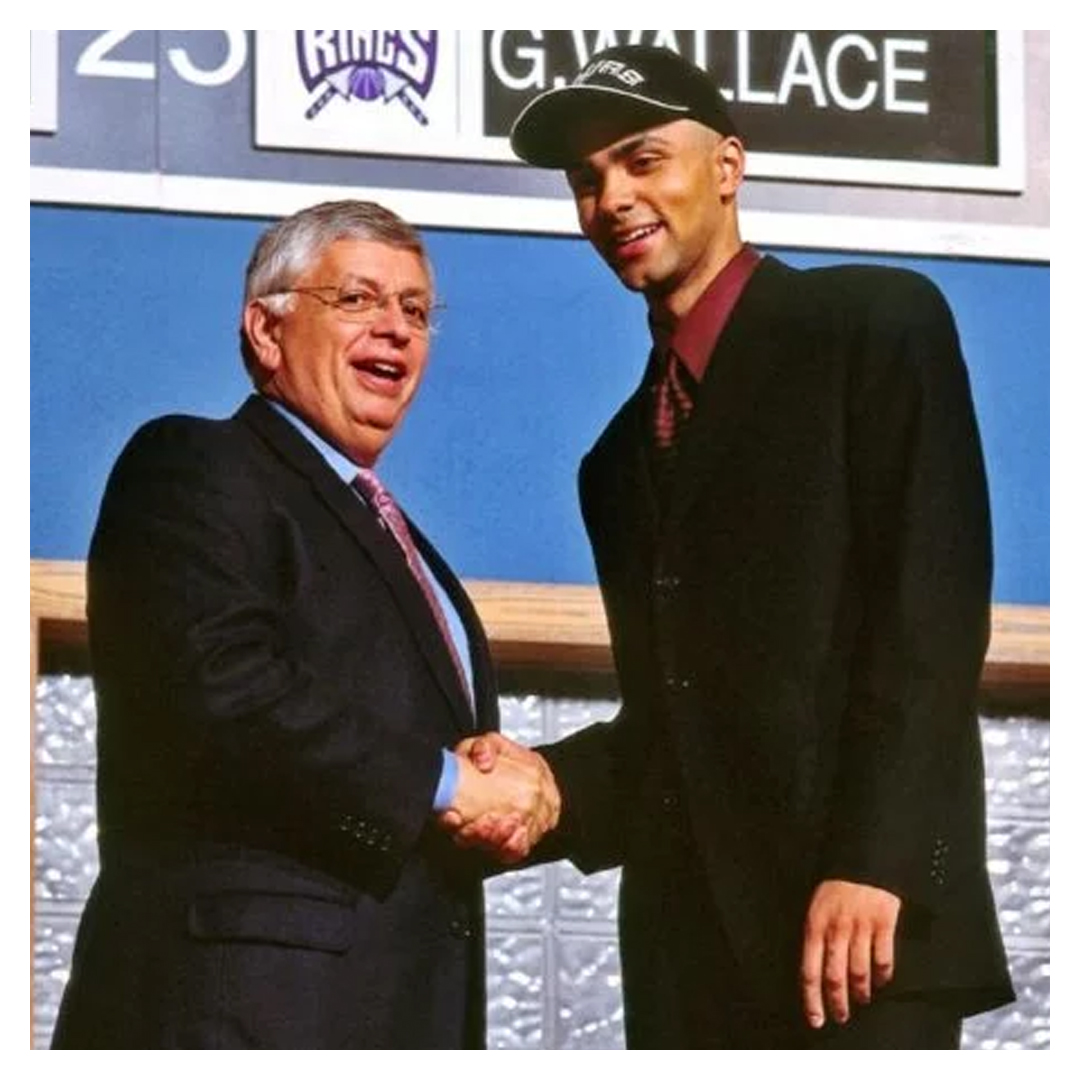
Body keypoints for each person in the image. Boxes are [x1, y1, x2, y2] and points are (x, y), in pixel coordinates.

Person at [457, 44, 1015, 1049]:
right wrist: (547, 788)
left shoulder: (875, 326)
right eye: (587, 181)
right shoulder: (618, 463)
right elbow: (677, 730)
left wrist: (876, 861)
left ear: (726, 165)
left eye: (641, 159)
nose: (612, 197)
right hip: (688, 970)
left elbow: (928, 622)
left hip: (860, 953)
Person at [50, 199, 559, 1049]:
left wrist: (522, 792)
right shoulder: (194, 465)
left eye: (415, 310)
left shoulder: (408, 546)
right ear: (267, 329)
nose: (395, 329)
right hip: (240, 1016)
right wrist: (442, 784)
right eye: (358, 300)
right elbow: (219, 687)